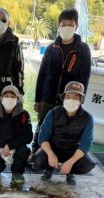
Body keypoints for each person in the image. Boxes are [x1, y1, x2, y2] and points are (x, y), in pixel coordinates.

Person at [31, 8, 91, 155]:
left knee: (65, 129)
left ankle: (59, 155)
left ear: (76, 26)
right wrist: (38, 99)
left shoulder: (83, 50)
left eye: (70, 24)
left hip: (70, 99)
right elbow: (42, 75)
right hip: (48, 97)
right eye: (63, 24)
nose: (67, 27)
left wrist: (79, 100)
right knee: (42, 125)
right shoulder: (51, 48)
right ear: (58, 26)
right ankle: (36, 152)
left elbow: (85, 77)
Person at [32, 81, 96, 185]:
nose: (71, 100)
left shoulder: (88, 118)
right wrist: (50, 154)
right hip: (53, 147)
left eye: (76, 97)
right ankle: (48, 169)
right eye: (68, 96)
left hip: (72, 150)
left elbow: (86, 143)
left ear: (81, 100)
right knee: (38, 160)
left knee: (88, 165)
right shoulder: (52, 113)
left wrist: (71, 162)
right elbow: (42, 137)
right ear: (63, 98)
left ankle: (70, 172)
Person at [0, 85, 32, 183]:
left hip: (15, 147)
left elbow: (28, 136)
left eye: (12, 96)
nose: (9, 98)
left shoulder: (24, 115)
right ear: (1, 98)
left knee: (23, 150)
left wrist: (10, 145)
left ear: (17, 99)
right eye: (6, 96)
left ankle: (17, 173)